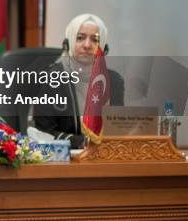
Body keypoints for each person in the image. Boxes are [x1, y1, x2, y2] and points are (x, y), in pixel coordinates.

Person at [33, 13, 124, 148]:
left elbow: (118, 129)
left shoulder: (114, 80)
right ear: (68, 43)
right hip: (63, 160)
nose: (87, 45)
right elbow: (43, 132)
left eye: (95, 40)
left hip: (104, 159)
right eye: (80, 38)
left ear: (104, 48)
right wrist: (83, 143)